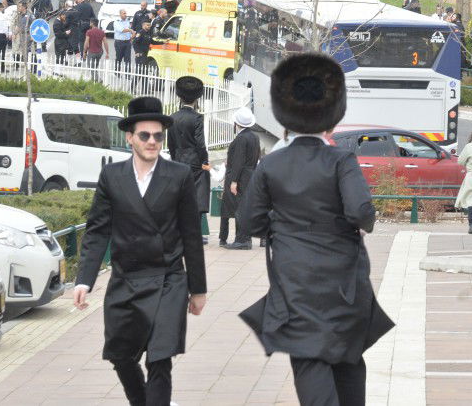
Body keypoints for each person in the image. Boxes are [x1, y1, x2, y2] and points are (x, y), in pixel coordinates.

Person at [238, 53, 394, 405]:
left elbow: (250, 222)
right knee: (348, 356)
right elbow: (360, 211)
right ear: (332, 121)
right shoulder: (341, 160)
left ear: (287, 120)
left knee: (309, 357)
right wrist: (359, 225)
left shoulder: (271, 164)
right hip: (343, 278)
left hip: (294, 276)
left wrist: (285, 230)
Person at [72, 96, 207, 406]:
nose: (152, 141)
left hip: (168, 279)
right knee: (120, 355)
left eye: (158, 135)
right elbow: (98, 229)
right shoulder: (112, 176)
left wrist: (198, 289)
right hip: (126, 280)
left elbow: (191, 235)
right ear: (130, 137)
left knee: (160, 359)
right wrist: (84, 279)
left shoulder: (179, 175)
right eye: (145, 135)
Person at [168, 76, 212, 243]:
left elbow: (171, 143)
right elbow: (200, 143)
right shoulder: (197, 118)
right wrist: (205, 160)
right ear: (197, 98)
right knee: (198, 198)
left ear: (180, 96)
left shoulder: (172, 117)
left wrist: (175, 158)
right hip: (195, 162)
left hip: (178, 160)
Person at [219, 107, 260, 250]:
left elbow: (238, 161)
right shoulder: (254, 137)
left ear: (237, 123)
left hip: (240, 177)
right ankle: (244, 238)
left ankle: (242, 239)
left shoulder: (241, 138)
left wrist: (234, 181)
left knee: (237, 207)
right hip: (250, 175)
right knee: (244, 206)